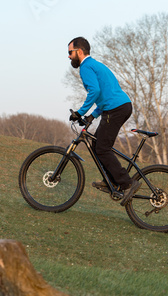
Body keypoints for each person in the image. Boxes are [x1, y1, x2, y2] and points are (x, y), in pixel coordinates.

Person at [67, 36, 141, 206]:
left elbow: (94, 91)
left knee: (102, 148)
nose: (69, 56)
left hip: (116, 109)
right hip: (118, 107)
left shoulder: (86, 67)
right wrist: (92, 116)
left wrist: (80, 112)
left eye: (70, 52)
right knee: (96, 145)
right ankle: (112, 181)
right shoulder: (96, 65)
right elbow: (104, 95)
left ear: (79, 51)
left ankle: (127, 183)